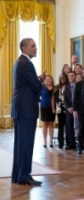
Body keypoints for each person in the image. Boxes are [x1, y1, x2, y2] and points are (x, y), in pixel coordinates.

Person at [11, 38, 45, 186]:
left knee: (20, 144)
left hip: (20, 108)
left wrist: (37, 80)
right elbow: (36, 87)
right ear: (24, 48)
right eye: (33, 46)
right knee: (26, 143)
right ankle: (24, 176)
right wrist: (41, 80)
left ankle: (18, 175)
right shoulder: (27, 64)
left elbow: (26, 84)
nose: (35, 48)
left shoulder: (19, 62)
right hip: (26, 110)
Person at [73, 67, 84, 154]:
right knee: (81, 128)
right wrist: (75, 110)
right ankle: (80, 146)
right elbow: (75, 98)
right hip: (81, 110)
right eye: (83, 72)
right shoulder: (79, 84)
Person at [52, 73, 69, 149]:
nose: (62, 78)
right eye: (61, 77)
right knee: (60, 127)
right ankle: (61, 143)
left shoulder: (68, 86)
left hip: (68, 108)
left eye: (63, 77)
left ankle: (68, 143)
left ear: (66, 78)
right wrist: (53, 108)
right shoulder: (56, 87)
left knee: (68, 127)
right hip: (59, 109)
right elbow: (53, 98)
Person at [40, 75, 55, 148]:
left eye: (50, 79)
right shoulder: (42, 88)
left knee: (51, 124)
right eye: (47, 79)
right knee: (44, 124)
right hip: (44, 107)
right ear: (45, 81)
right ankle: (45, 141)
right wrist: (41, 101)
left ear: (52, 80)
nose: (48, 80)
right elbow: (37, 95)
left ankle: (51, 141)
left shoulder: (55, 88)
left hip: (52, 107)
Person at [64, 71, 76, 149]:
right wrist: (68, 107)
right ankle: (71, 144)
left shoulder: (79, 86)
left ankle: (79, 144)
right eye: (70, 76)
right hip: (69, 110)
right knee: (69, 127)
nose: (71, 77)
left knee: (78, 127)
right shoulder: (67, 87)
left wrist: (75, 108)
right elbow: (65, 99)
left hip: (77, 109)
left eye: (72, 76)